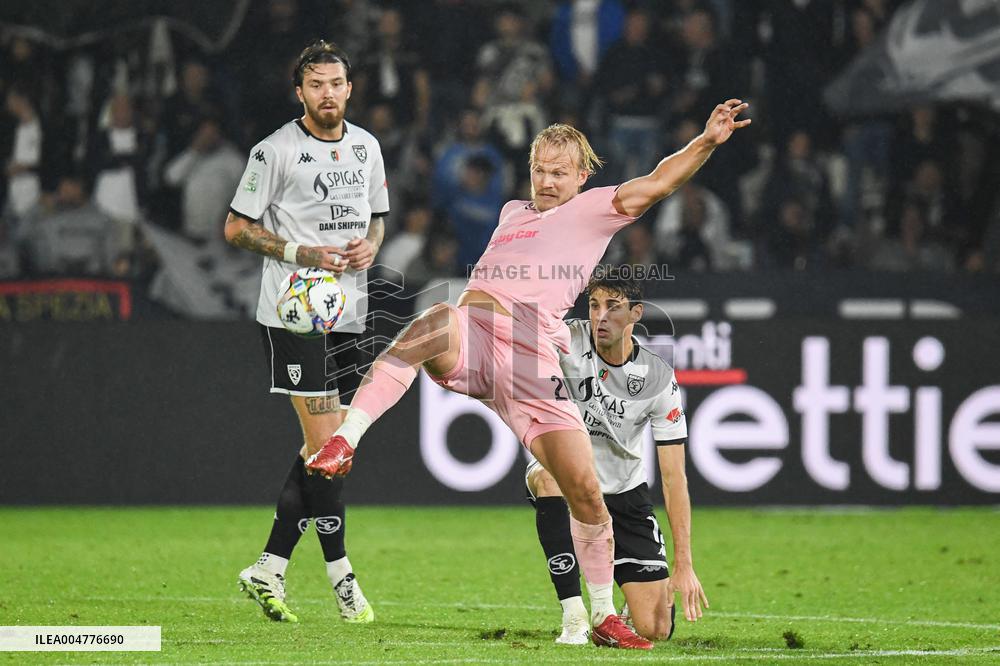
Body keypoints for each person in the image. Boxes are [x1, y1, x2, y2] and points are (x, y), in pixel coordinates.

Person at [307, 98, 750, 650]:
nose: (545, 181)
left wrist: (705, 141)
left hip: (531, 361)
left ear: (582, 176)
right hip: (475, 338)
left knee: (583, 490)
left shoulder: (595, 209)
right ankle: (344, 441)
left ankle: (601, 615)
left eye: (559, 172)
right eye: (539, 169)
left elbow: (660, 181)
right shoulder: (512, 212)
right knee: (433, 320)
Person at [223, 40, 389, 625]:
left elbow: (376, 218)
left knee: (328, 449)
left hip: (349, 311)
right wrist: (301, 252)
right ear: (300, 92)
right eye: (316, 84)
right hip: (294, 314)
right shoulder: (274, 152)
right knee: (327, 452)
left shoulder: (367, 147)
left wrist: (372, 245)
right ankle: (343, 579)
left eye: (336, 83)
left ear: (350, 88)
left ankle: (269, 567)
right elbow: (235, 227)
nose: (327, 94)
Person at [526, 274, 706, 645]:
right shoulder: (567, 339)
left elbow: (674, 477)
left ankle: (622, 611)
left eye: (613, 307)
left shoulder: (658, 378)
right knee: (549, 478)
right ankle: (575, 618)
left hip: (624, 493)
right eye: (594, 306)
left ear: (636, 314)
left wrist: (684, 563)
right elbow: (522, 330)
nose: (600, 316)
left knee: (656, 628)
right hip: (567, 477)